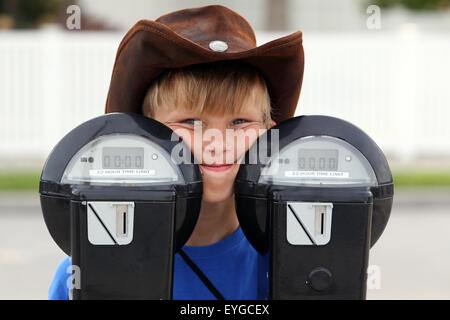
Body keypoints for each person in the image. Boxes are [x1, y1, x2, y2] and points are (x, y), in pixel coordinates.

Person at [48, 4, 304, 300]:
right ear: (146, 138)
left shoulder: (291, 257)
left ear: (269, 133)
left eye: (239, 122)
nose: (217, 142)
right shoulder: (84, 269)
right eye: (190, 122)